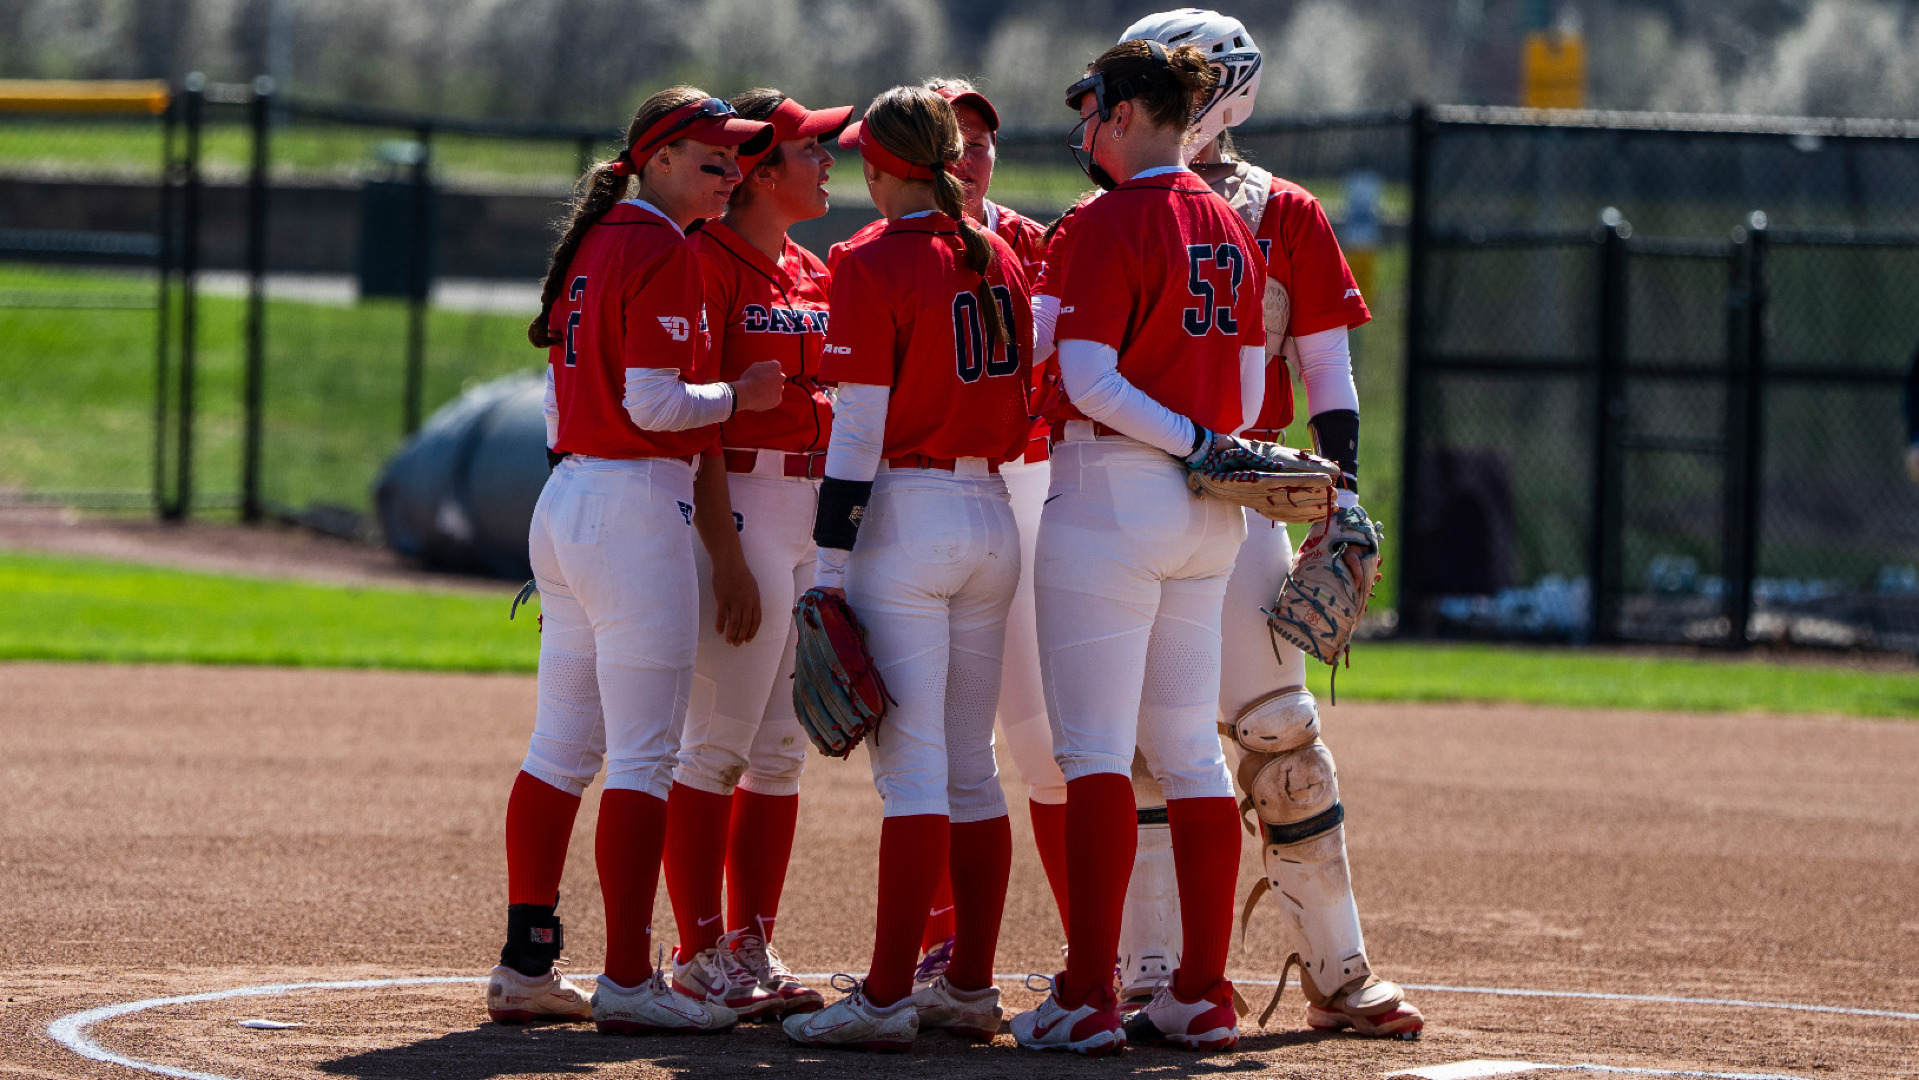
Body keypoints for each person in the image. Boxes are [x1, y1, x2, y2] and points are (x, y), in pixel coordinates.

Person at [1110, 8, 1424, 1039]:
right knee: (1141, 747)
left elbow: (1325, 367)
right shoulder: (1117, 199)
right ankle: (1146, 972)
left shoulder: (1278, 207)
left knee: (1278, 736)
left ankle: (1336, 969)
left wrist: (1340, 490)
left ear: (1228, 90)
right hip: (1126, 487)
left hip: (1242, 492)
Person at [483, 86, 786, 1036]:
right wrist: (740, 394)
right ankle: (625, 977)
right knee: (644, 759)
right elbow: (658, 405)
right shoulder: (657, 244)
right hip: (632, 508)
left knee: (561, 751)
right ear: (656, 159)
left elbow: (572, 399)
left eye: (735, 156)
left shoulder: (608, 236)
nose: (731, 170)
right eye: (711, 156)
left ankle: (527, 965)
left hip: (572, 499)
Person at [1008, 40, 1263, 1056]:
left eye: (1090, 115)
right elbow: (1243, 393)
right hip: (1207, 512)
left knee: (1093, 756)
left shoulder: (1105, 220)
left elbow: (1087, 379)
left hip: (1111, 494)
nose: (1084, 132)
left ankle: (1087, 992)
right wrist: (1209, 444)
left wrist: (1191, 439)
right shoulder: (1222, 218)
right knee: (1191, 753)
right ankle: (1201, 991)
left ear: (1118, 113)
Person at [780, 85, 1034, 1052]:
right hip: (991, 514)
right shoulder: (998, 252)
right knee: (972, 767)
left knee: (914, 770)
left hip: (909, 515)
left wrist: (830, 563)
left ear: (887, 169)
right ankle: (966, 985)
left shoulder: (871, 257)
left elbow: (859, 430)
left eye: (865, 162)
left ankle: (886, 997)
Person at [660, 88, 852, 1023]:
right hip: (736, 503)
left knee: (781, 754)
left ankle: (750, 943)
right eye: (811, 151)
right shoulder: (707, 262)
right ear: (758, 173)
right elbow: (695, 421)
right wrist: (723, 553)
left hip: (809, 511)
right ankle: (696, 950)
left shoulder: (812, 269)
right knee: (717, 747)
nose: (828, 162)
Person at [884, 78, 1073, 993]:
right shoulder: (877, 250)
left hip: (1027, 485)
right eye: (954, 141)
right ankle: (944, 950)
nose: (971, 155)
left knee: (1042, 747)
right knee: (939, 745)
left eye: (982, 142)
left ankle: (1091, 955)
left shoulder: (1033, 242)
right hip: (932, 494)